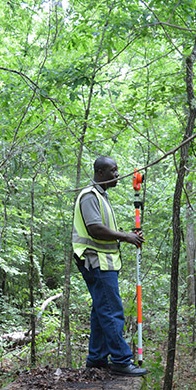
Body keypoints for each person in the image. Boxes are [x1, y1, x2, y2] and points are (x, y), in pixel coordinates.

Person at [72, 156, 147, 377]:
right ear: (100, 173)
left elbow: (104, 230)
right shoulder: (89, 196)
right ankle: (121, 360)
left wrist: (128, 235)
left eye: (117, 170)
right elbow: (95, 229)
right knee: (112, 312)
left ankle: (96, 359)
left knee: (100, 311)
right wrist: (126, 237)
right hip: (95, 261)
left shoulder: (101, 196)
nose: (117, 175)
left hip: (104, 261)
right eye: (113, 171)